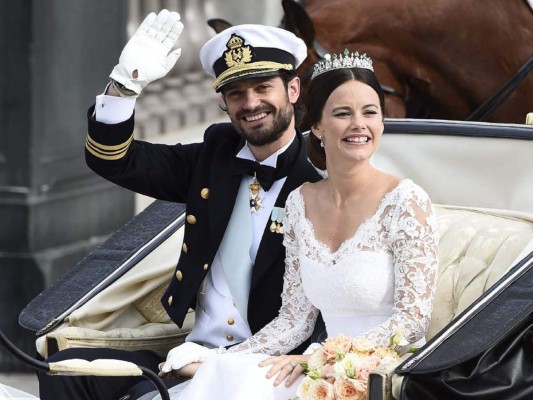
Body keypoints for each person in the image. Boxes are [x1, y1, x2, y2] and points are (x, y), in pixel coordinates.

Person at [36, 9, 323, 400]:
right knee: (66, 373)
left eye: (263, 87)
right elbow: (114, 159)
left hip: (268, 367)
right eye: (236, 93)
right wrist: (125, 86)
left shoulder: (321, 177)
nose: (250, 103)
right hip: (190, 351)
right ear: (223, 101)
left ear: (292, 90)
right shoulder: (215, 155)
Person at [136, 50, 440, 400]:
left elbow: (412, 321)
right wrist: (224, 360)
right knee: (230, 384)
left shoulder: (406, 201)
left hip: (383, 373)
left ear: (382, 122)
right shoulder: (300, 201)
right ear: (318, 127)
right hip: (312, 366)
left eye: (370, 112)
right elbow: (295, 319)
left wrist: (325, 357)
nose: (359, 124)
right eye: (343, 113)